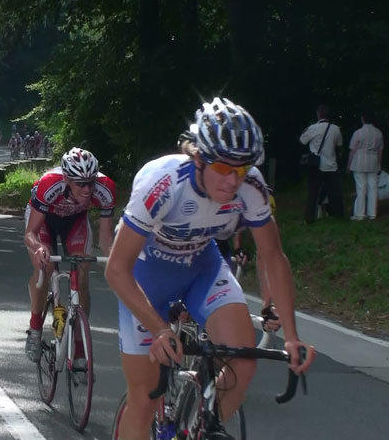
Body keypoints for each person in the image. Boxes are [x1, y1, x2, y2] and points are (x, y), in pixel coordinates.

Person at [105, 98, 316, 440]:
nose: (233, 181)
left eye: (242, 169)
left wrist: (291, 336)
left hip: (202, 268)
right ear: (199, 158)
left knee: (243, 363)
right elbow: (116, 268)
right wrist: (159, 329)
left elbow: (273, 257)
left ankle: (199, 429)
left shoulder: (252, 187)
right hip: (147, 273)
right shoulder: (163, 182)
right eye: (223, 169)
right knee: (144, 401)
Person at [23, 148, 116, 367]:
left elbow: (105, 239)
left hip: (75, 222)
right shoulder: (50, 184)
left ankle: (80, 344)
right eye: (80, 184)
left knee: (82, 275)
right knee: (44, 271)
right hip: (43, 223)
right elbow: (30, 233)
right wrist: (37, 248)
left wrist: (116, 261)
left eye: (91, 183)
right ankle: (35, 328)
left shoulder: (106, 188)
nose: (87, 189)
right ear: (66, 179)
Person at [300, 105, 344, 223]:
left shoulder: (313, 128)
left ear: (318, 115)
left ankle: (310, 218)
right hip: (331, 164)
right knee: (335, 192)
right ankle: (338, 215)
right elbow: (339, 144)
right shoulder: (335, 129)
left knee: (312, 193)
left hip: (316, 165)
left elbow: (302, 140)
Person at [348, 109, 384, 220]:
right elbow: (380, 150)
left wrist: (349, 164)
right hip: (373, 161)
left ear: (363, 118)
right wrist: (379, 164)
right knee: (373, 187)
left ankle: (359, 214)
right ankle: (372, 213)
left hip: (359, 160)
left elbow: (353, 150)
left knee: (361, 187)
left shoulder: (358, 132)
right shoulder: (378, 132)